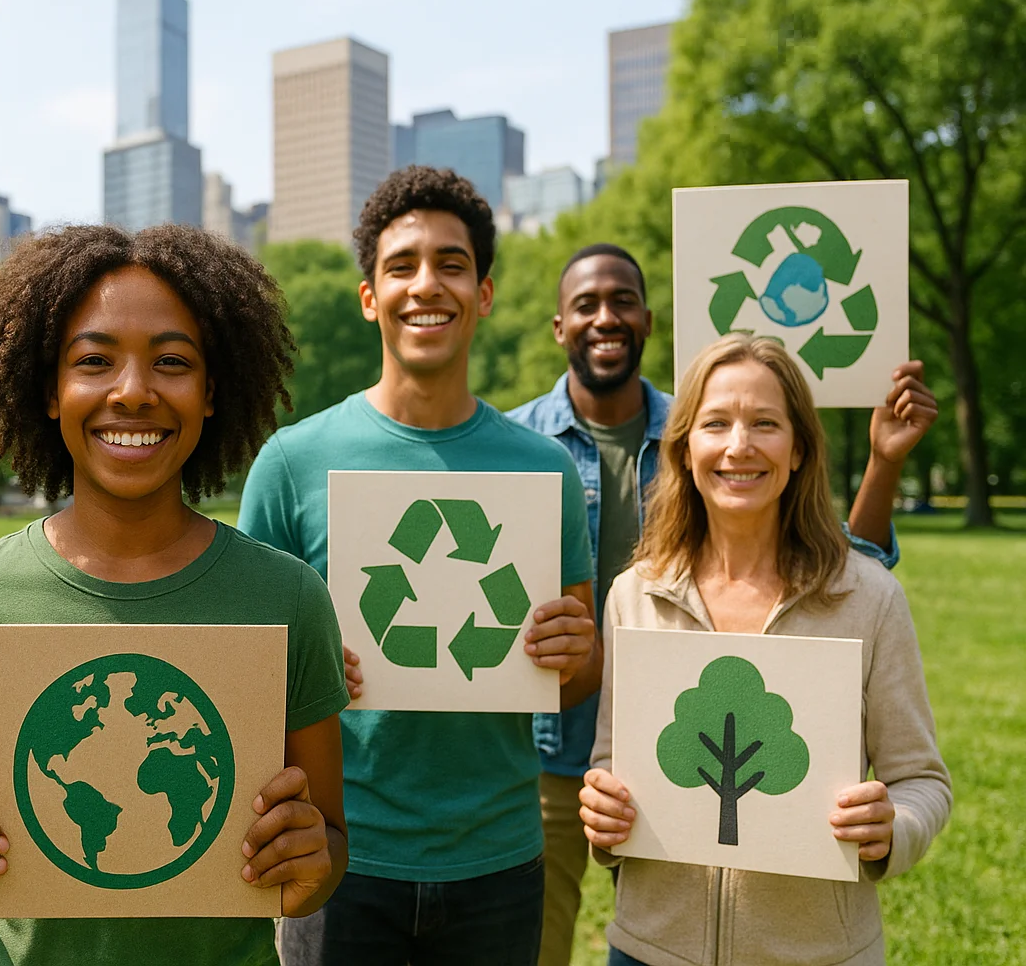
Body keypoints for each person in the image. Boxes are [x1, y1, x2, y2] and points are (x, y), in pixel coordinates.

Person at [0, 224, 350, 965]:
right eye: (95, 361)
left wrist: (308, 861)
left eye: (171, 362)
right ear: (48, 391)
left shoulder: (287, 596)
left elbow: (327, 843)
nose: (133, 392)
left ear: (212, 391)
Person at [508, 244, 938, 966]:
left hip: (818, 951)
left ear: (800, 447)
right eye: (715, 424)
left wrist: (894, 824)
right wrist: (606, 817)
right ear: (682, 449)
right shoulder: (634, 595)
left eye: (766, 423)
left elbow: (922, 780)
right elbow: (616, 764)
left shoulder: (868, 599)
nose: (739, 446)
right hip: (650, 949)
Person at [239, 166, 599, 966]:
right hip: (339, 855)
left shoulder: (543, 471)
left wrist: (575, 655)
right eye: (401, 266)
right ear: (370, 296)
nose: (425, 285)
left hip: (500, 858)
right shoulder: (293, 464)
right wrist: (298, 672)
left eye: (451, 264)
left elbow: (575, 675)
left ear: (486, 294)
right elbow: (241, 671)